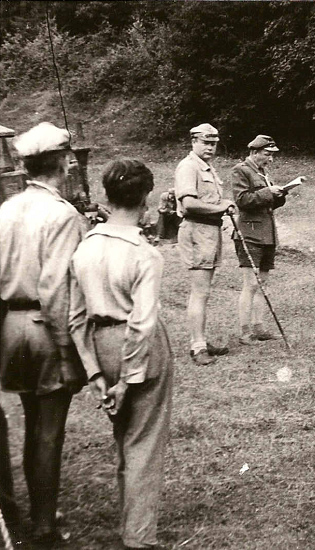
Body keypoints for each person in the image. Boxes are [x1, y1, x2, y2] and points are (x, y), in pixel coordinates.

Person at [69, 159, 174, 550]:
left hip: (101, 344)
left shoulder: (85, 247)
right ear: (146, 198)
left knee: (123, 436)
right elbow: (142, 324)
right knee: (143, 443)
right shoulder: (145, 254)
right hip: (139, 351)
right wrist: (129, 381)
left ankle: (131, 523)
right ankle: (139, 536)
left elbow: (75, 318)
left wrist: (95, 373)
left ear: (107, 196)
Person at [0, 122, 87, 545]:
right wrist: (69, 352)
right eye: (68, 157)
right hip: (44, 328)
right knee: (49, 429)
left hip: (9, 328)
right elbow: (55, 289)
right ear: (60, 163)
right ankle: (45, 526)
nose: (72, 164)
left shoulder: (7, 209)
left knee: (31, 421)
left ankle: (25, 518)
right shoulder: (63, 214)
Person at [230, 135, 301, 345]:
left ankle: (259, 328)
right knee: (250, 284)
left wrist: (280, 195)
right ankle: (245, 332)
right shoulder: (241, 170)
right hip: (249, 234)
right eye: (267, 154)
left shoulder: (263, 172)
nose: (270, 159)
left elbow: (267, 203)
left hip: (267, 234)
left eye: (271, 155)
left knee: (263, 283)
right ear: (254, 152)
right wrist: (267, 192)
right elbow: (242, 200)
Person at [174, 123, 234, 365]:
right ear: (193, 142)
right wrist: (221, 206)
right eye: (206, 142)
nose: (210, 147)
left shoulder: (207, 167)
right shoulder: (188, 167)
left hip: (210, 230)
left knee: (205, 292)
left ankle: (201, 339)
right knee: (200, 292)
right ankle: (197, 347)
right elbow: (188, 203)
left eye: (214, 143)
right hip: (196, 230)